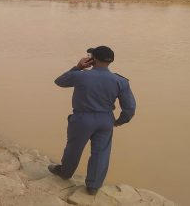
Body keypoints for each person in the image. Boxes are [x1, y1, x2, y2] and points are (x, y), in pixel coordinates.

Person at [48, 46, 136, 195]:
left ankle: (65, 172)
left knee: (74, 147)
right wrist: (119, 121)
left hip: (83, 118)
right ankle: (93, 186)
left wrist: (78, 67)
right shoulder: (120, 81)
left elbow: (59, 81)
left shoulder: (81, 75)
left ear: (93, 59)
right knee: (101, 152)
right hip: (106, 119)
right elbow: (130, 108)